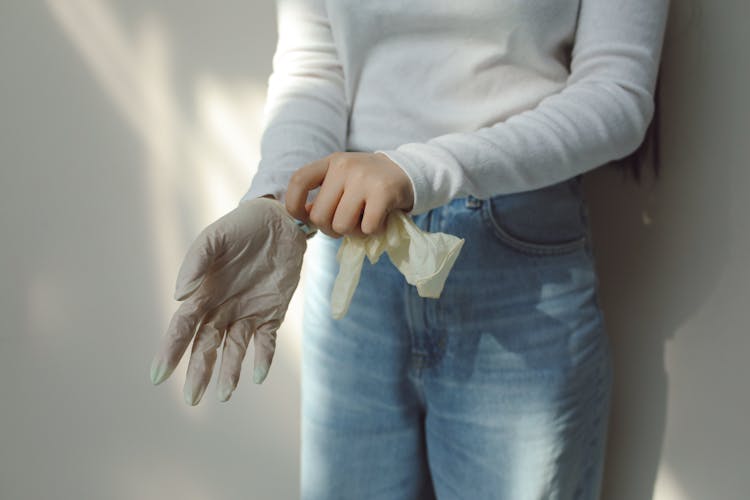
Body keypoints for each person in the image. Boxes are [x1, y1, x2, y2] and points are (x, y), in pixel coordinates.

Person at [151, 0, 670, 498]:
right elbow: (315, 67)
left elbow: (617, 92)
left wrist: (415, 171)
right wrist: (276, 199)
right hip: (357, 264)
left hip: (519, 276)